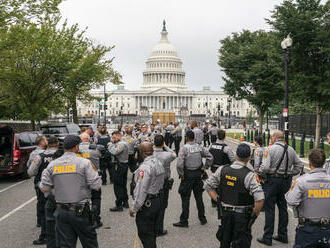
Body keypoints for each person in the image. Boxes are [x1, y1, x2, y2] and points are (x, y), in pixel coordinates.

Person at [39, 135, 101, 248]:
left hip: (61, 211)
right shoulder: (84, 163)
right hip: (81, 211)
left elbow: (44, 188)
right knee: (89, 243)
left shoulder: (52, 165)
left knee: (65, 244)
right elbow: (96, 186)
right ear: (76, 147)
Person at [204, 143, 265, 248]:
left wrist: (218, 200)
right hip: (242, 217)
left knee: (225, 242)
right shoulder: (250, 175)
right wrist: (254, 215)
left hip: (225, 214)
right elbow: (260, 199)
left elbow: (208, 186)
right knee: (241, 244)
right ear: (249, 158)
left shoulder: (222, 170)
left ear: (236, 155)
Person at [257, 130, 303, 246]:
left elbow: (266, 167)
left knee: (270, 209)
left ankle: (267, 236)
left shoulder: (269, 149)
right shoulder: (291, 149)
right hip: (286, 181)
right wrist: (291, 173)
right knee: (283, 207)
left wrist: (260, 171)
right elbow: (299, 165)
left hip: (272, 181)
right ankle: (283, 235)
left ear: (274, 138)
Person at [286, 149, 330, 248]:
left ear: (309, 163)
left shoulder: (301, 181)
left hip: (307, 229)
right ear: (324, 163)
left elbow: (291, 201)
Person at [173, 130, 213, 227]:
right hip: (198, 174)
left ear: (186, 137)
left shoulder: (184, 148)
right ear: (194, 137)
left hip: (187, 175)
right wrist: (205, 168)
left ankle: (184, 221)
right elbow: (210, 157)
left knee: (185, 198)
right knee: (199, 197)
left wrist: (181, 174)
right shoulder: (199, 147)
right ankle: (202, 218)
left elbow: (179, 164)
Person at [129, 143, 165, 248]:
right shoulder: (158, 162)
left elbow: (141, 190)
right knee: (152, 233)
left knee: (145, 235)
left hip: (147, 205)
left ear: (141, 153)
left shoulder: (145, 168)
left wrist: (134, 208)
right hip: (157, 200)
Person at [28, 136, 61, 245]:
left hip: (43, 187)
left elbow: (30, 172)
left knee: (44, 211)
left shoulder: (40, 156)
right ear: (57, 143)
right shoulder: (62, 155)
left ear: (47, 144)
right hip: (60, 187)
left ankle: (45, 236)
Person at [153, 135, 176, 236]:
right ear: (162, 143)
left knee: (153, 205)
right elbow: (174, 154)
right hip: (163, 183)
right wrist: (165, 146)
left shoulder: (150, 153)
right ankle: (159, 229)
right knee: (162, 206)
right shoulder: (167, 155)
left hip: (153, 182)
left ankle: (152, 227)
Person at [79, 133, 103, 228]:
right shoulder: (95, 149)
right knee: (96, 198)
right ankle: (96, 219)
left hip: (81, 178)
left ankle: (84, 218)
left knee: (82, 198)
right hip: (94, 176)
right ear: (89, 139)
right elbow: (101, 156)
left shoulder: (76, 149)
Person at [208, 129, 235, 207]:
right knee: (223, 186)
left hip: (214, 168)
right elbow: (232, 160)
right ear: (225, 137)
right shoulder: (226, 148)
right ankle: (222, 202)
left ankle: (214, 201)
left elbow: (209, 157)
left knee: (214, 184)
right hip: (224, 169)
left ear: (216, 136)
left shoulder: (211, 145)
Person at [27, 136, 48, 228]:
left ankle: (40, 221)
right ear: (42, 142)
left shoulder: (33, 153)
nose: (46, 141)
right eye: (45, 140)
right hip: (44, 180)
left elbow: (29, 165)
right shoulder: (43, 153)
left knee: (40, 201)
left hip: (37, 180)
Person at [109, 131, 129, 211]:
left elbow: (114, 152)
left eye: (114, 137)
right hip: (123, 164)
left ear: (118, 136)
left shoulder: (121, 144)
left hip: (120, 165)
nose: (113, 139)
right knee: (123, 184)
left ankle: (119, 205)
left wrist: (110, 146)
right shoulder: (123, 143)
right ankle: (125, 202)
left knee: (118, 186)